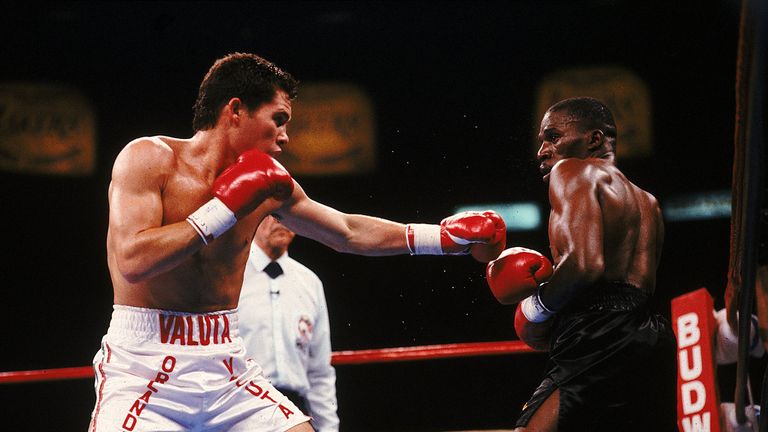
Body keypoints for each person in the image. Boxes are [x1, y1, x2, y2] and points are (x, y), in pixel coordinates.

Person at [89, 52, 506, 432]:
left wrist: (445, 237)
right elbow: (133, 260)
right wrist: (225, 207)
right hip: (144, 367)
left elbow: (346, 231)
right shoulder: (149, 158)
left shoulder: (270, 185)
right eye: (279, 119)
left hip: (225, 362)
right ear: (235, 110)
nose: (286, 137)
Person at [486, 97, 677, 431]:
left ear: (594, 140)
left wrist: (537, 308)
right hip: (649, 335)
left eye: (553, 137)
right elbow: (635, 291)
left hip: (597, 332)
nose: (542, 151)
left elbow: (586, 264)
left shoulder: (571, 171)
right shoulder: (649, 202)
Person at [239, 215, 339, 431]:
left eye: (286, 215)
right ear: (253, 219)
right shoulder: (231, 276)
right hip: (241, 406)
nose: (280, 221)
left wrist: (329, 428)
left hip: (296, 410)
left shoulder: (309, 282)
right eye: (272, 215)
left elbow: (319, 371)